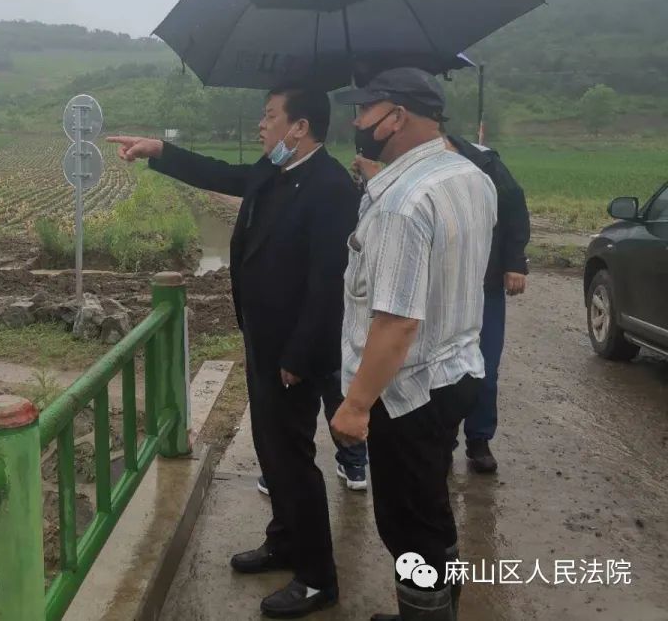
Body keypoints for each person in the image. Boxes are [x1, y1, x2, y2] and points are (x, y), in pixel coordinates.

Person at [108, 86, 361, 618]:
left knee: (293, 459)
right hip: (262, 340)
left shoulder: (331, 187)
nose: (260, 126)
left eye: (270, 117)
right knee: (271, 450)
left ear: (301, 127)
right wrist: (160, 151)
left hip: (294, 352)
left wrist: (298, 354)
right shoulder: (275, 170)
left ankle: (318, 578)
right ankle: (284, 541)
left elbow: (327, 283)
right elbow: (224, 176)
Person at [329, 68, 496, 621]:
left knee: (406, 528)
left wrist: (355, 405)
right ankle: (438, 608)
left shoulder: (403, 204)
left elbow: (396, 323)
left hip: (408, 391)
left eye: (364, 112)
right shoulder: (470, 176)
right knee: (430, 507)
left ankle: (424, 614)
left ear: (396, 117)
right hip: (457, 372)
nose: (355, 123)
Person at [354, 133, 531, 474]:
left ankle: (479, 439)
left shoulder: (483, 161)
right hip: (436, 283)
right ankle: (443, 439)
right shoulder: (410, 168)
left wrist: (514, 261)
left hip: (482, 282)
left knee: (482, 365)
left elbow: (514, 204)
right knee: (432, 366)